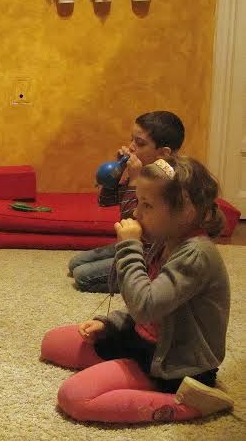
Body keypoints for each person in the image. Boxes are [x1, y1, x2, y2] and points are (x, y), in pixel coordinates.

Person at [40, 155, 233, 423]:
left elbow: (146, 306)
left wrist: (129, 248)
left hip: (174, 364)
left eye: (147, 205)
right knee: (52, 343)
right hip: (143, 340)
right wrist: (110, 324)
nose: (136, 214)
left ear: (186, 213)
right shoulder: (166, 238)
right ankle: (119, 372)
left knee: (74, 397)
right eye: (139, 202)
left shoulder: (196, 254)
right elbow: (147, 304)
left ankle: (194, 404)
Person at [68, 111, 185, 293]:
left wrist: (135, 180)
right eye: (132, 140)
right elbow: (105, 201)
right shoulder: (144, 170)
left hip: (149, 256)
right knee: (75, 263)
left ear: (163, 153)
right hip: (134, 244)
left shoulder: (166, 182)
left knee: (82, 275)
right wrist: (117, 171)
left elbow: (132, 221)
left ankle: (142, 281)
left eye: (140, 143)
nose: (131, 147)